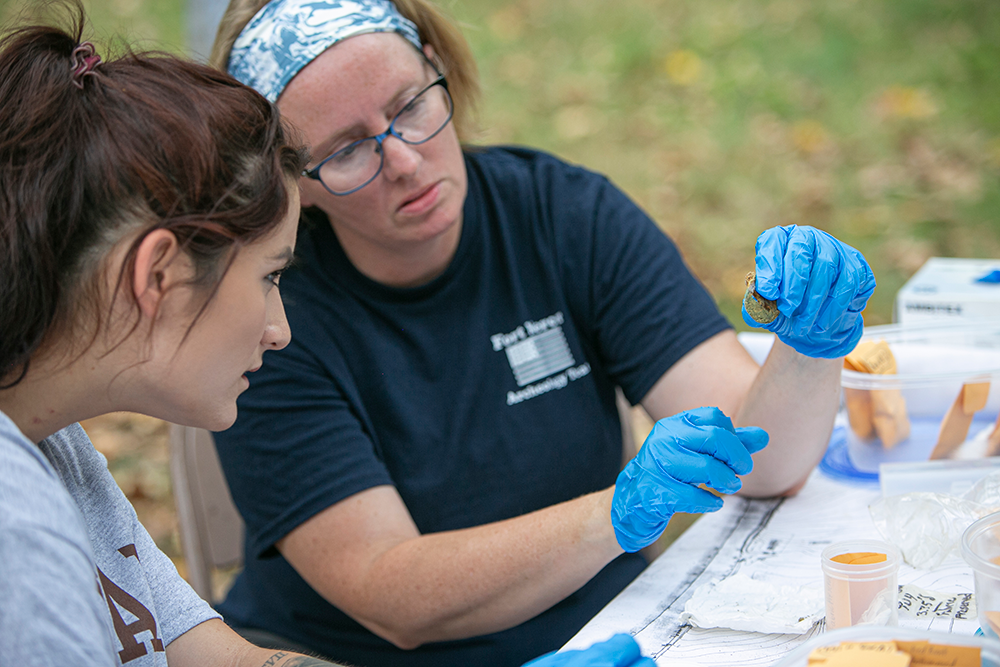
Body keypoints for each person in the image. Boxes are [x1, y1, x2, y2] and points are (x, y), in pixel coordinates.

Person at [206, 1, 877, 666]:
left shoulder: (564, 216)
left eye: (410, 106)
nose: (405, 162)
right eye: (348, 150)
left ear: (438, 68)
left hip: (612, 636)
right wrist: (613, 514)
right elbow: (394, 594)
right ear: (295, 180)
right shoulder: (270, 318)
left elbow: (761, 460)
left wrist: (809, 346)